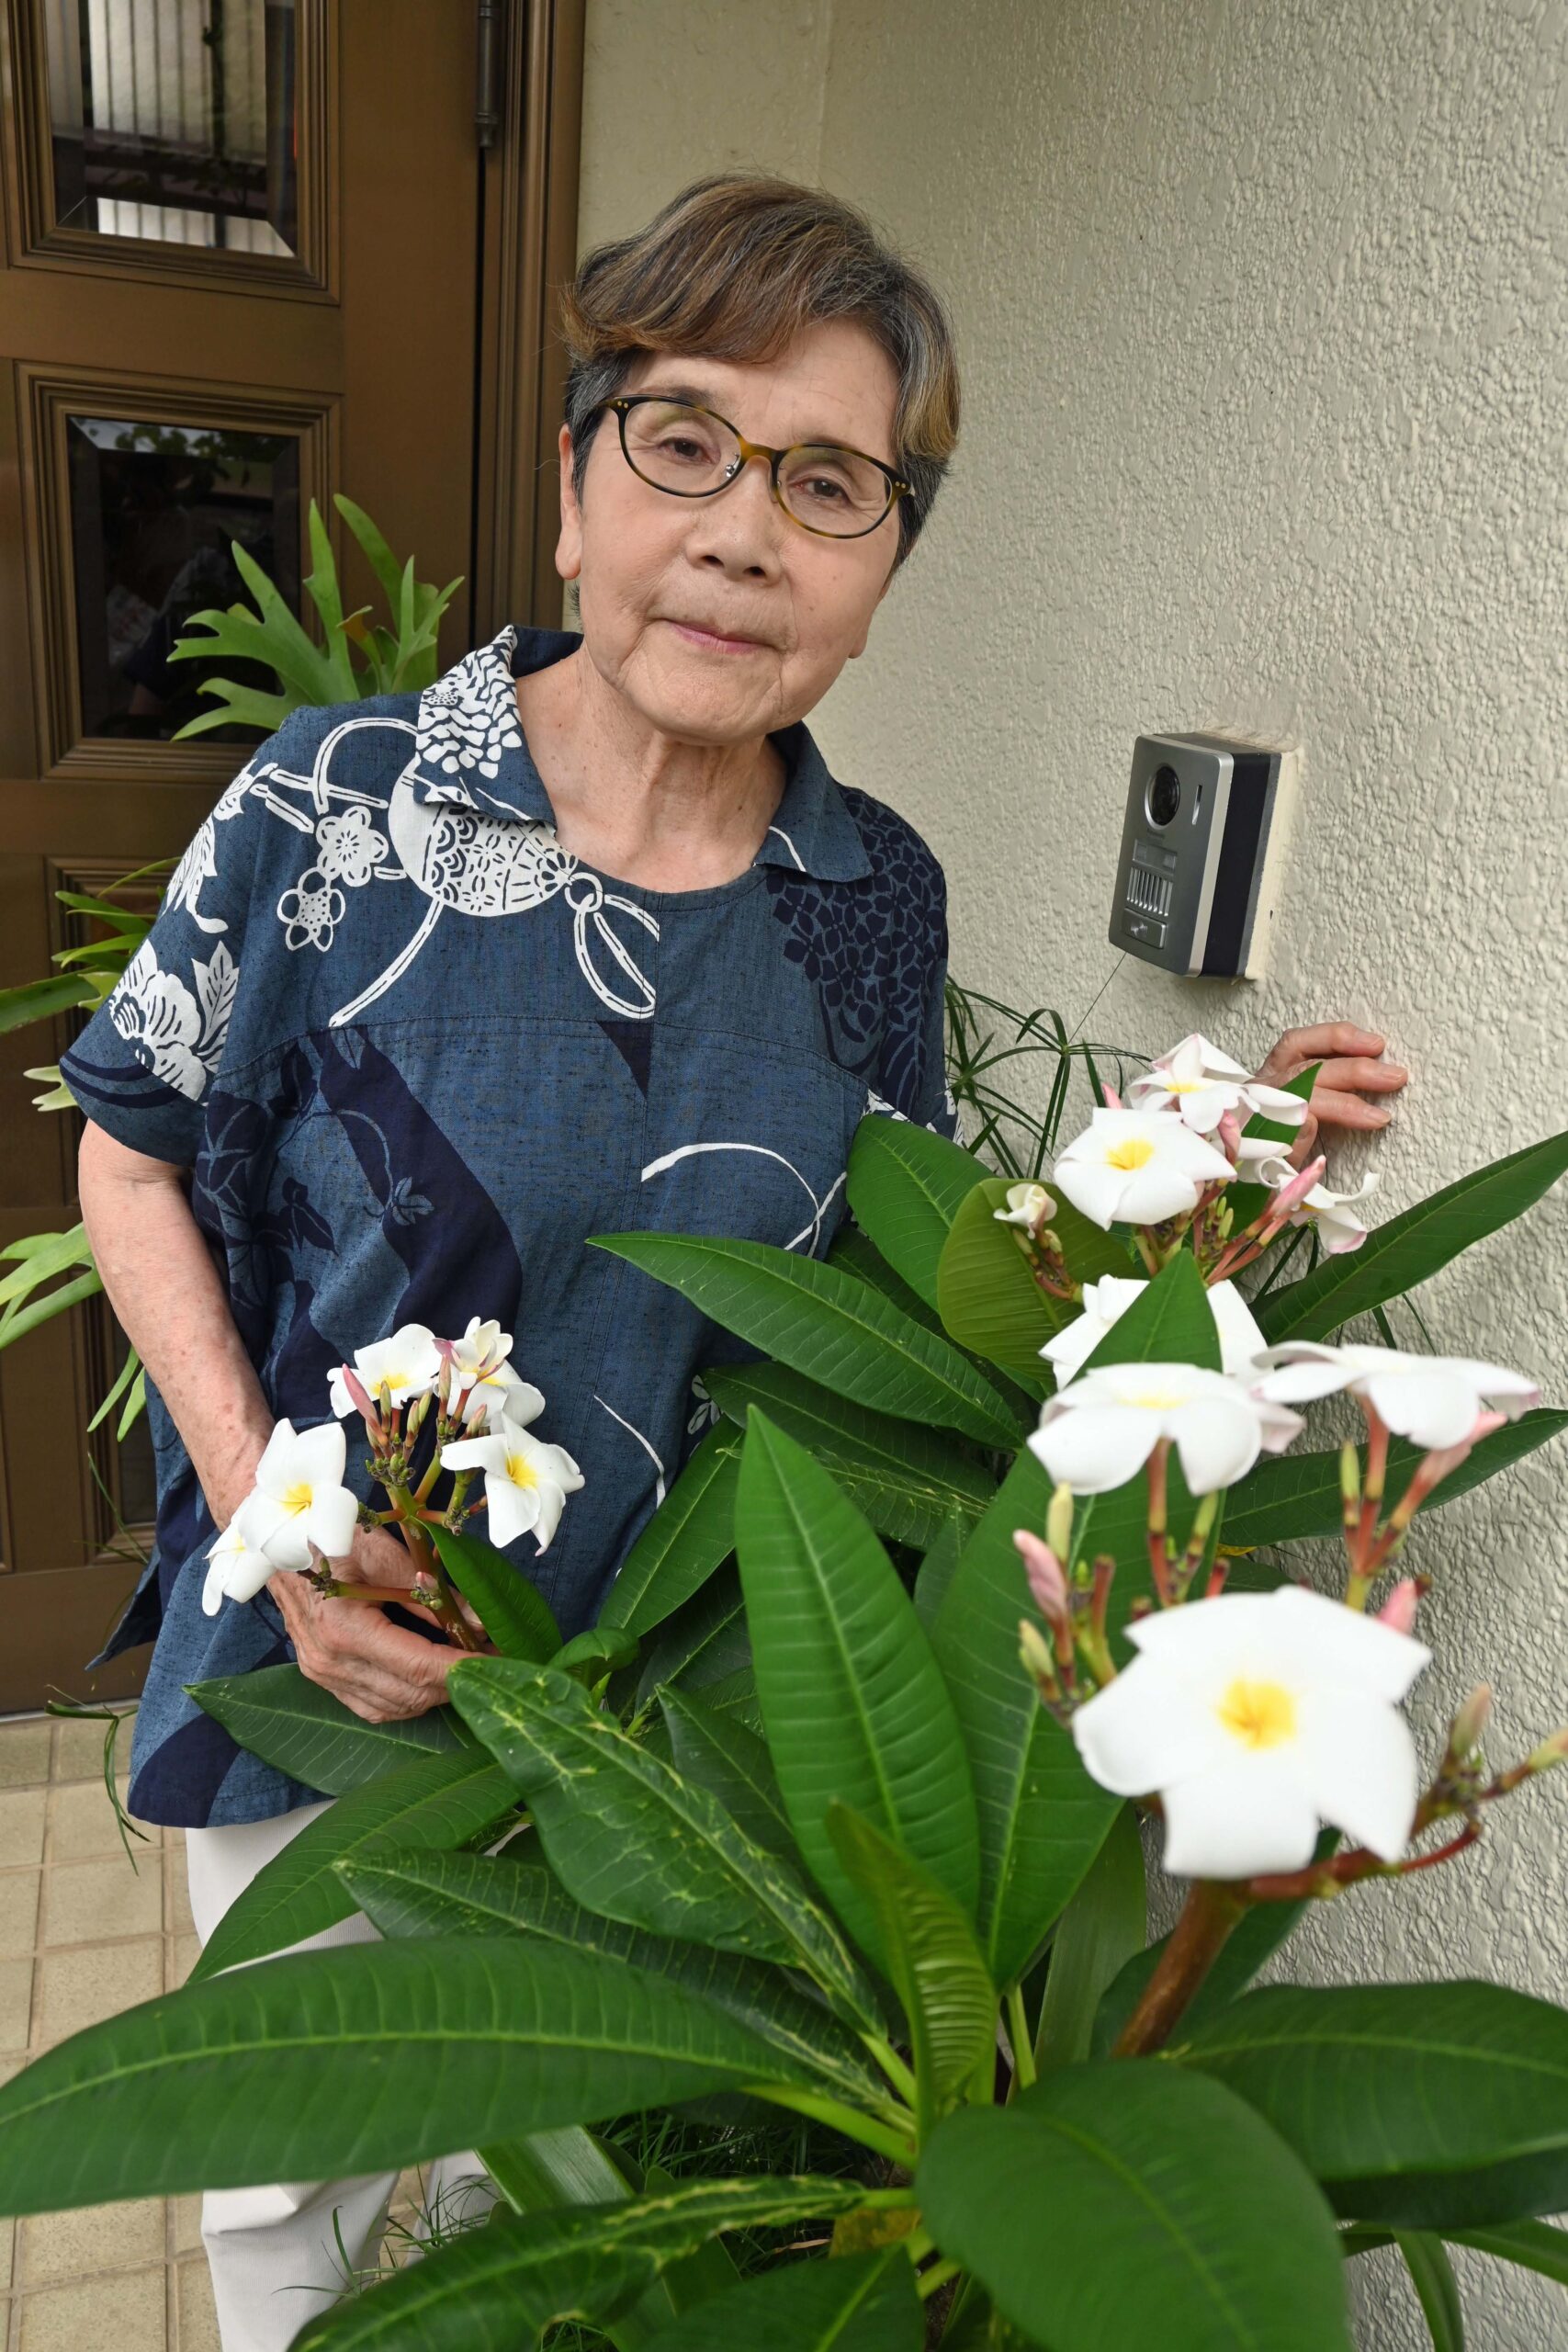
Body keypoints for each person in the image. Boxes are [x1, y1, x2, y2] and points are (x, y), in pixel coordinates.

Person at [61, 172, 1407, 2350]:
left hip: (680, 1719)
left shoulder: (866, 891)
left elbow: (897, 1268)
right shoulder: (337, 801)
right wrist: (258, 1513)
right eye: (680, 438)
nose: (742, 528)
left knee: (575, 2205)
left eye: (827, 483)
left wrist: (1223, 1141)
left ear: (880, 569)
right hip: (345, 1659)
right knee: (289, 2188)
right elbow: (127, 1155)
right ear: (574, 485)